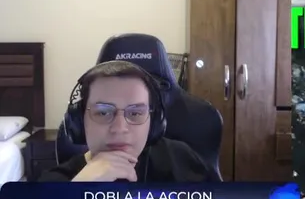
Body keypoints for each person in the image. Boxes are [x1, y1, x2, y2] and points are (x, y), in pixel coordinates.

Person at [39, 60, 217, 183]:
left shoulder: (181, 160)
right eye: (103, 113)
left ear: (154, 122)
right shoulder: (54, 185)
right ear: (79, 121)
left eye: (136, 113)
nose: (120, 128)